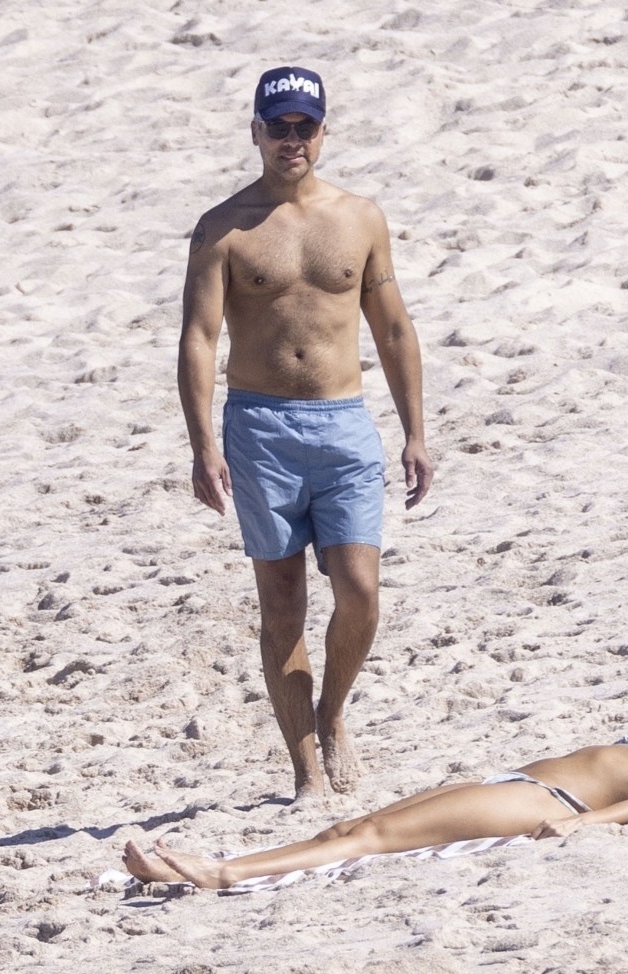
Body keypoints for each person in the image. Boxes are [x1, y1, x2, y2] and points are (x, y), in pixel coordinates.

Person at [176, 66, 434, 802]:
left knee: (360, 593)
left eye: (305, 127)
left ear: (323, 131)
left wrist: (416, 432)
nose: (292, 140)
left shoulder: (359, 217)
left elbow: (391, 326)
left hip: (344, 422)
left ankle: (332, 713)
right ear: (254, 132)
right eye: (278, 126)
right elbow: (198, 338)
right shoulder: (222, 227)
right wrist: (202, 445)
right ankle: (306, 771)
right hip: (259, 426)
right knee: (282, 603)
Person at [123, 652, 628, 889]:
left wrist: (586, 826)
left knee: (369, 837)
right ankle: (226, 863)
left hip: (543, 801)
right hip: (511, 783)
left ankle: (215, 874)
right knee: (353, 823)